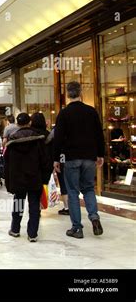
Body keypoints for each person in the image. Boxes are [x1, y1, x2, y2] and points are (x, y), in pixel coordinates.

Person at [53, 81, 104, 239]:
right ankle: (94, 217)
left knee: (73, 192)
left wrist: (56, 159)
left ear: (68, 94)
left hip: (71, 158)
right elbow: (99, 134)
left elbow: (58, 138)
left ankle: (77, 228)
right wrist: (100, 154)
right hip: (89, 157)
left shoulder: (64, 113)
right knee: (89, 188)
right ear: (81, 93)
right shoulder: (91, 111)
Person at [5, 113, 48, 242]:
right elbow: (45, 161)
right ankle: (32, 233)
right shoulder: (38, 139)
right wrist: (44, 178)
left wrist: (9, 182)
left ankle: (15, 229)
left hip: (18, 179)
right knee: (34, 205)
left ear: (17, 124)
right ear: (29, 122)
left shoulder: (12, 141)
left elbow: (8, 163)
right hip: (35, 177)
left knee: (18, 203)